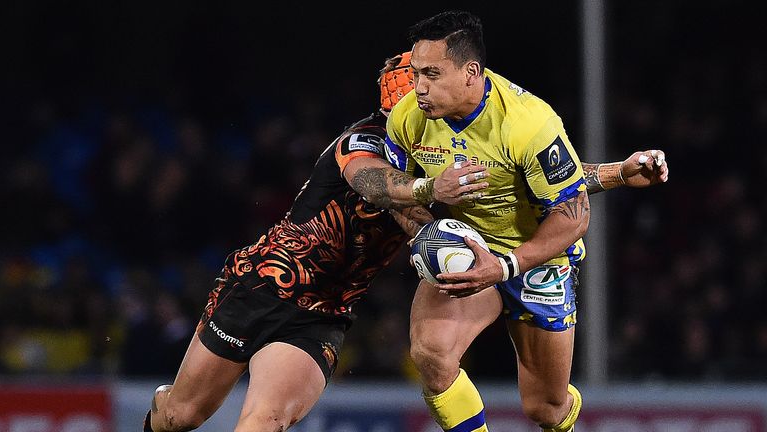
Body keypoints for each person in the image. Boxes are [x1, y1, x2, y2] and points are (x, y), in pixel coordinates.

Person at [143, 49, 668, 431]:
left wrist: (617, 174)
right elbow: (373, 183)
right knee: (181, 415)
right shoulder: (367, 139)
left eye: (424, 83)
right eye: (409, 85)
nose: (417, 94)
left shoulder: (443, 151)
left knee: (266, 420)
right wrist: (426, 193)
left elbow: (527, 179)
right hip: (263, 284)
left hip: (326, 311)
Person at [382, 11, 669, 432]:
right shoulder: (407, 117)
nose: (418, 86)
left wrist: (504, 266)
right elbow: (399, 191)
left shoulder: (529, 122)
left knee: (544, 409)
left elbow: (572, 215)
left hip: (538, 258)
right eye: (415, 73)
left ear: (470, 73)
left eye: (431, 74)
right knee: (431, 353)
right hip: (471, 245)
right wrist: (425, 233)